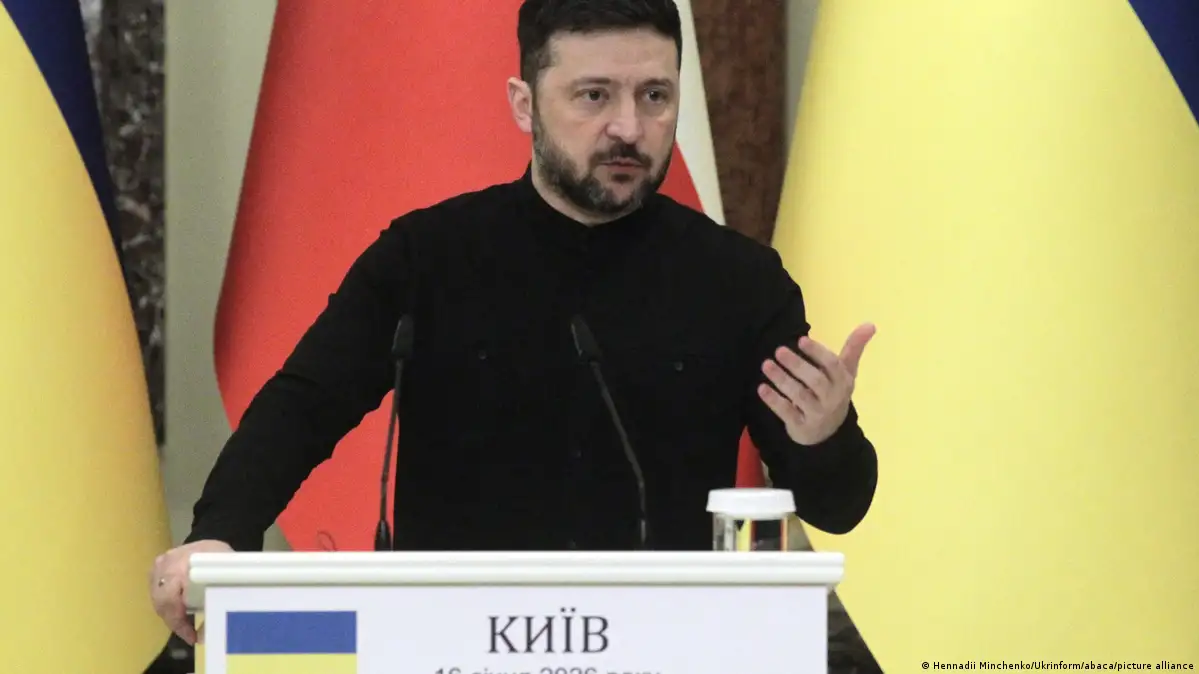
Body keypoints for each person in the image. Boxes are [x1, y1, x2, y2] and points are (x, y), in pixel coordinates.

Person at [149, 0, 879, 646]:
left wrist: (823, 438)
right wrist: (220, 533)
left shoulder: (741, 281)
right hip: (447, 641)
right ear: (524, 104)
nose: (629, 127)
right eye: (593, 95)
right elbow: (303, 406)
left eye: (654, 96)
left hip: (666, 644)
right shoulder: (427, 256)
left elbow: (838, 507)